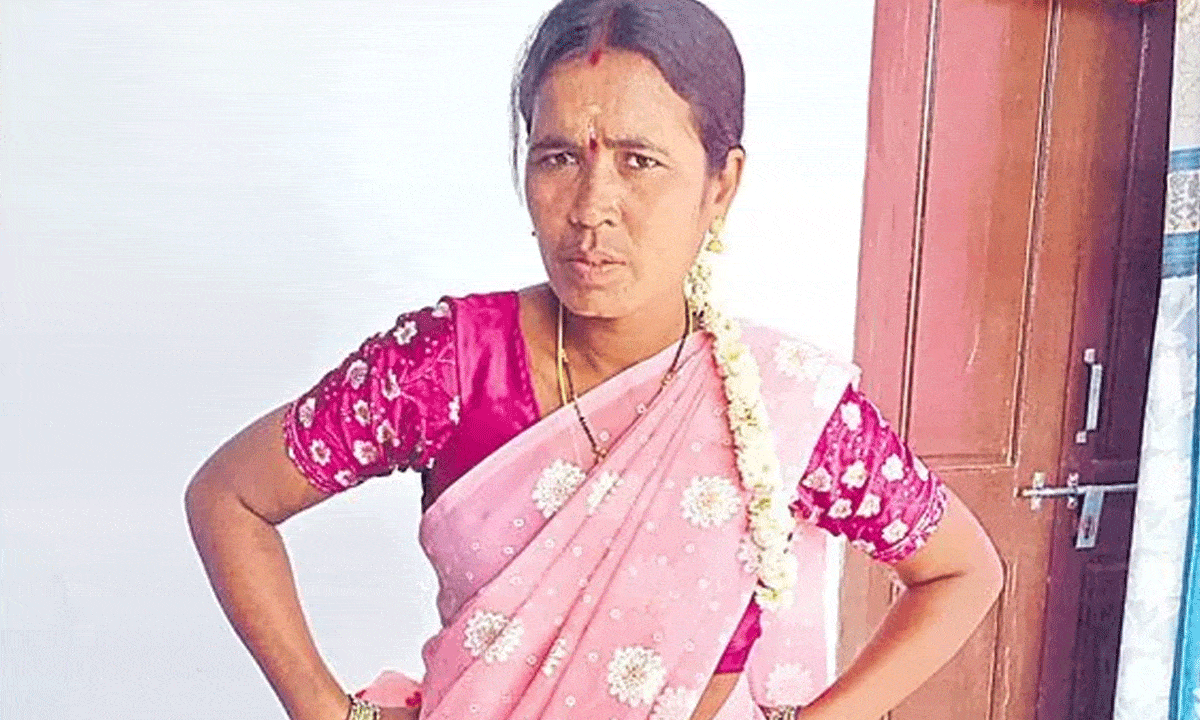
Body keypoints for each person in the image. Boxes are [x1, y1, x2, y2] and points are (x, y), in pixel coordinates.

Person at [184, 1, 1005, 718]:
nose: (590, 208)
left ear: (721, 186)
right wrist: (326, 709)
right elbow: (231, 497)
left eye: (639, 161)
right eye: (558, 157)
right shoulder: (448, 366)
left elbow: (961, 572)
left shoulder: (784, 405)